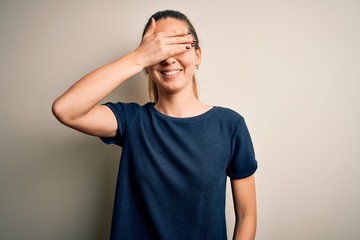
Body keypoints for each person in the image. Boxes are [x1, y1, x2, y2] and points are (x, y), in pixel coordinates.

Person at [52, 10, 258, 240]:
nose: (169, 58)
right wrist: (137, 57)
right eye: (159, 49)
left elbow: (246, 214)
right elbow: (65, 110)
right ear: (147, 65)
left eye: (180, 45)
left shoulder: (230, 126)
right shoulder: (132, 120)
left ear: (198, 55)